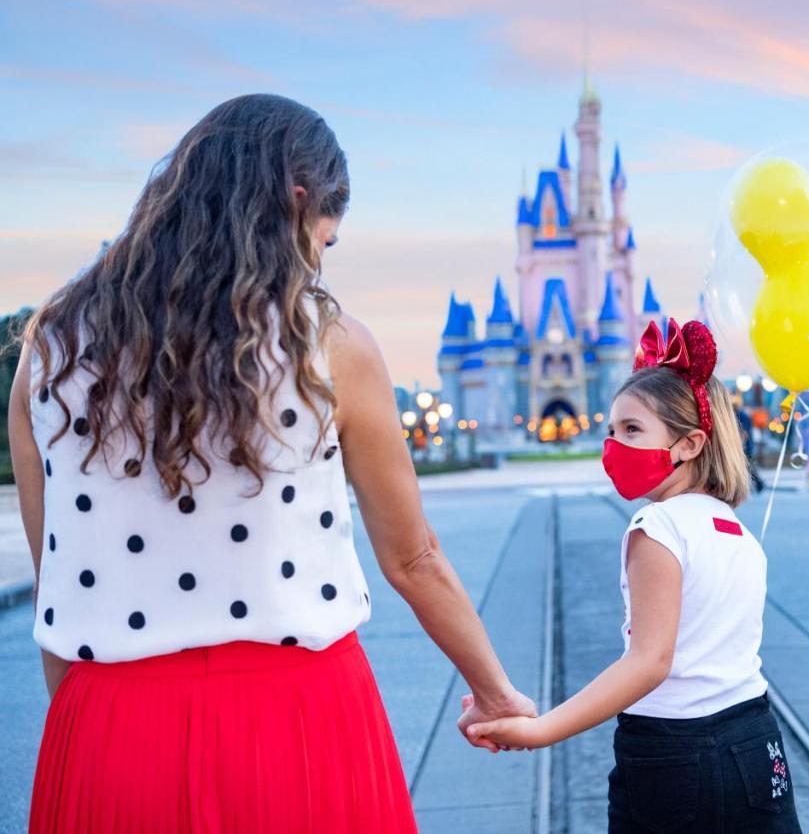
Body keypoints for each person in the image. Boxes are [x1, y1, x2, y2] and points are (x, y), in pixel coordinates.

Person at [8, 94, 534, 832]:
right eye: (325, 240)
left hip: (109, 728)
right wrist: (495, 690)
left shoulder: (49, 349)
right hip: (301, 724)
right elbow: (414, 557)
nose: (319, 261)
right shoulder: (331, 345)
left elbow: (56, 583)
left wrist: (84, 731)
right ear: (296, 203)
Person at [464, 319, 803, 833]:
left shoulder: (658, 525)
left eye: (631, 430)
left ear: (688, 445)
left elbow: (649, 662)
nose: (613, 446)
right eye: (611, 430)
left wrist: (541, 731)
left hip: (674, 754)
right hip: (756, 741)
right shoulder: (733, 527)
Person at [735, 398, 765, 493]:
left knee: (748, 467)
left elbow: (744, 434)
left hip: (744, 447)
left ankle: (759, 484)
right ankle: (757, 484)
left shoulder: (741, 416)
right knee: (748, 467)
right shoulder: (741, 415)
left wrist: (740, 447)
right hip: (745, 447)